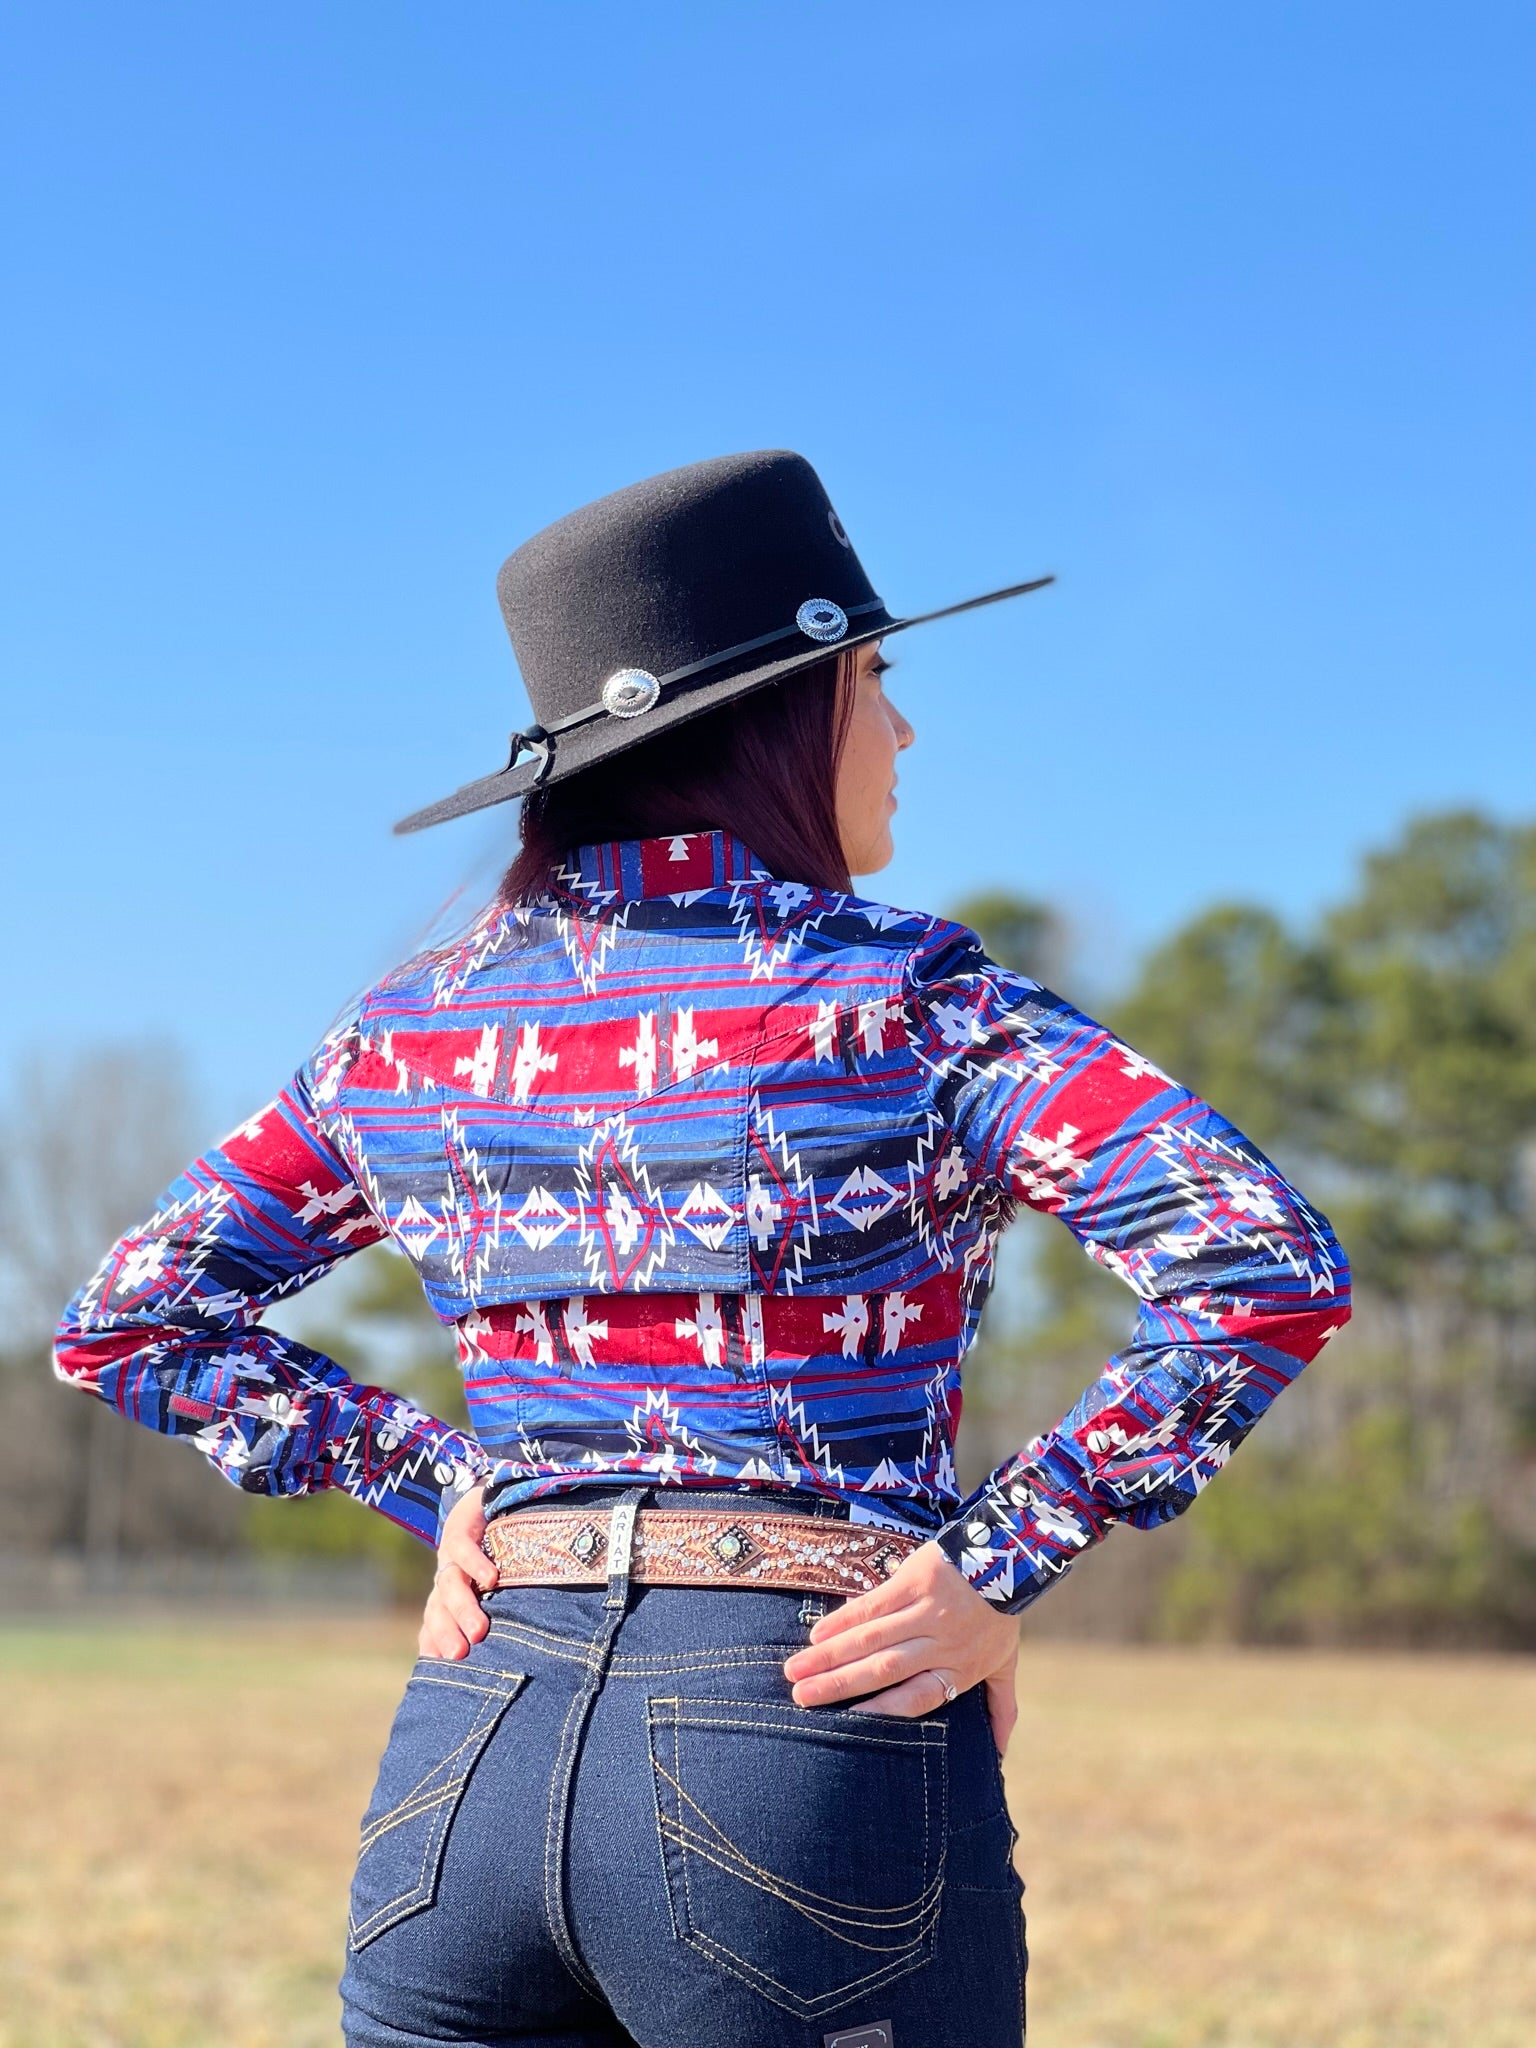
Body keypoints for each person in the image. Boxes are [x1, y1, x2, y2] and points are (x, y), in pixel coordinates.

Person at [55, 451, 1350, 2048]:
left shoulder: (407, 1031)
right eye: (876, 679)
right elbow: (1259, 1262)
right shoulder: (906, 998)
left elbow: (132, 1321)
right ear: (775, 716)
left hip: (471, 1754)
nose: (904, 730)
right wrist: (997, 1559)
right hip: (807, 1738)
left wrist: (431, 1476)